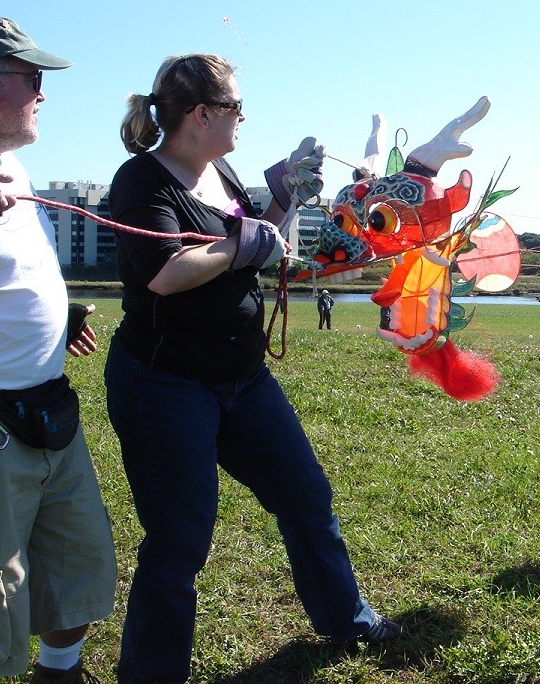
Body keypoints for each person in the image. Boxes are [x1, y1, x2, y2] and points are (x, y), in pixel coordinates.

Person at [104, 53, 398, 684]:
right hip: (164, 383)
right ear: (201, 114)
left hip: (242, 377)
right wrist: (241, 243)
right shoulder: (142, 182)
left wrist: (286, 193)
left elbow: (262, 233)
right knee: (179, 539)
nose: (243, 117)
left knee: (306, 496)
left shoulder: (220, 171)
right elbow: (164, 273)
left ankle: (348, 619)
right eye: (236, 107)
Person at [0, 14, 116, 684]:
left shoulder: (9, 166)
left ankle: (60, 672)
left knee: (76, 564)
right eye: (31, 76)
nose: (43, 92)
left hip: (49, 414)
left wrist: (54, 318)